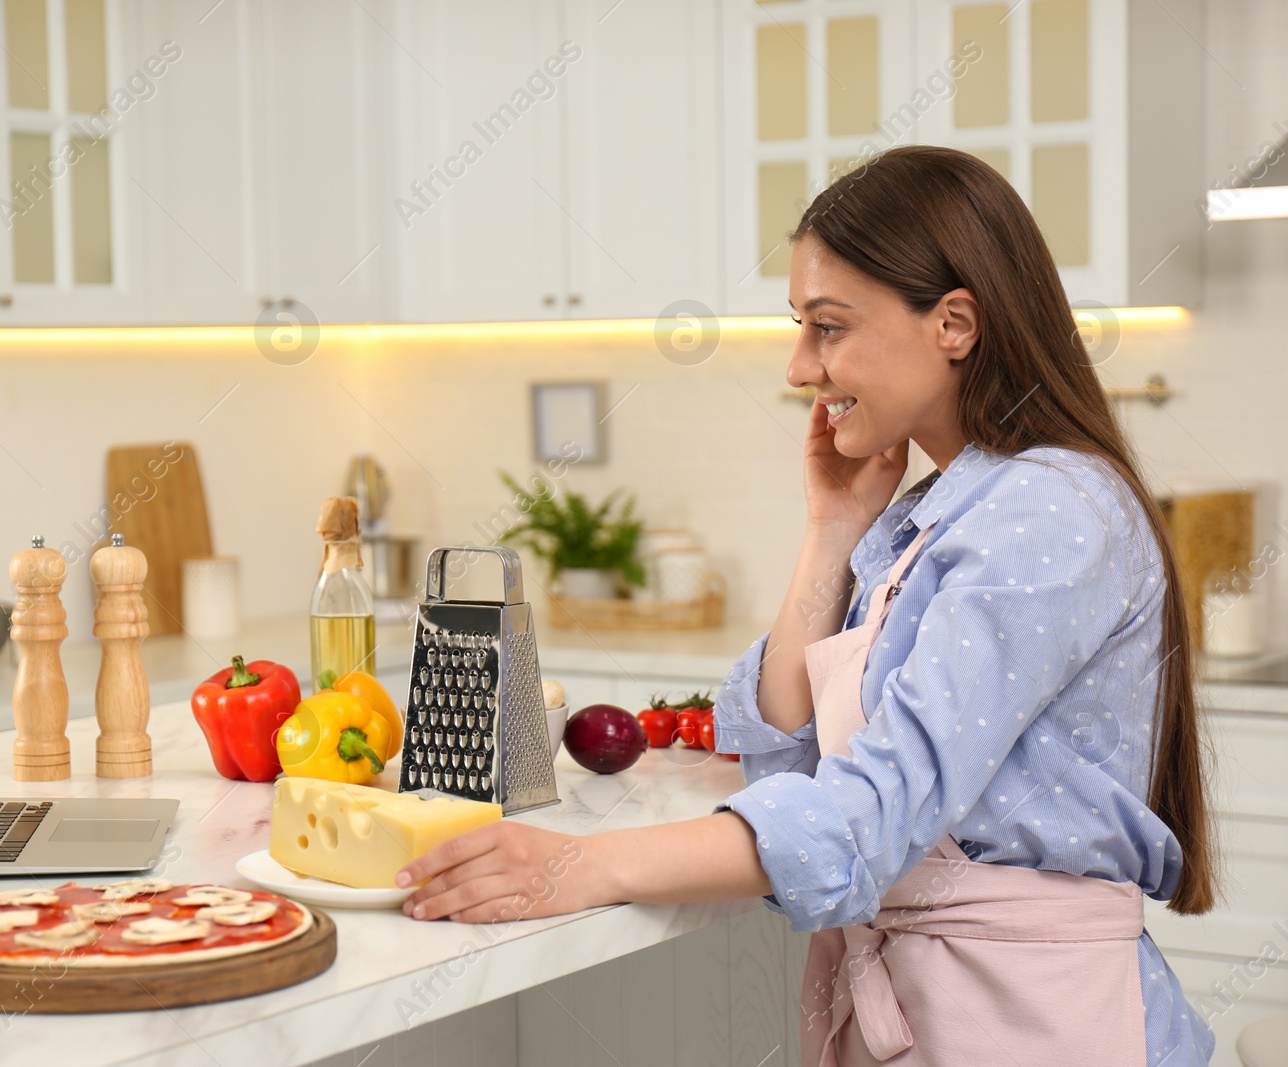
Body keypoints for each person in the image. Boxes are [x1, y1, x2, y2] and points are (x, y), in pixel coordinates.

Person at [397, 144, 1216, 1066]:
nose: (797, 367)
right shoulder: (929, 514)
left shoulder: (1048, 510)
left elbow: (863, 817)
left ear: (953, 322)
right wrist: (831, 531)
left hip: (1036, 1023)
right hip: (943, 1003)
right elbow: (784, 752)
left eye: (827, 327)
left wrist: (583, 863)